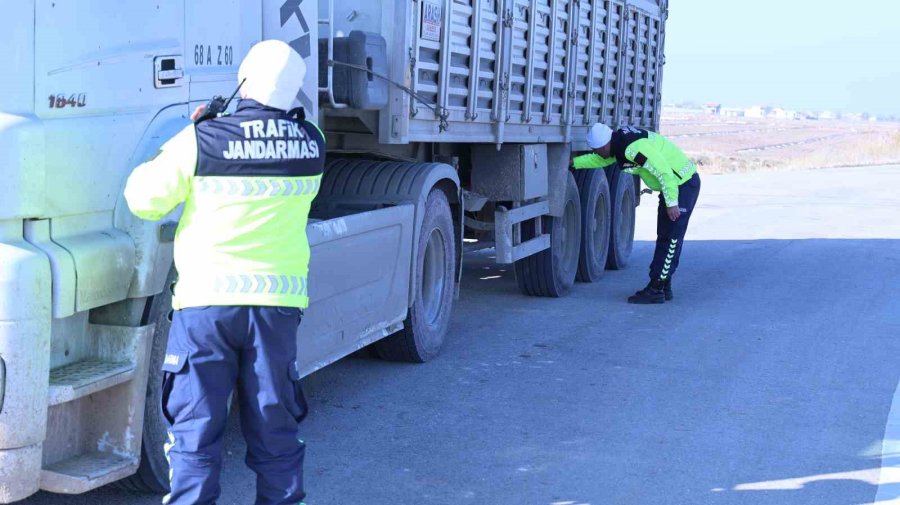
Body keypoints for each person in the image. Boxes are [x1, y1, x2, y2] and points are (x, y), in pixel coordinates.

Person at [124, 40, 324, 505]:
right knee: (275, 433)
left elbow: (143, 199)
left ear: (244, 82)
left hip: (206, 309)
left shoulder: (203, 139)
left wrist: (194, 130)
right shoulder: (312, 142)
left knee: (196, 436)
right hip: (276, 310)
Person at [573, 124, 701, 304]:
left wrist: (672, 203)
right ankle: (663, 285)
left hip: (682, 186)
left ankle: (656, 288)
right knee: (665, 236)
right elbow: (600, 161)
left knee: (671, 238)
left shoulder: (633, 149)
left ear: (603, 146)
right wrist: (575, 163)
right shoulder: (618, 145)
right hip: (674, 187)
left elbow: (664, 172)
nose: (596, 153)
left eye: (596, 150)